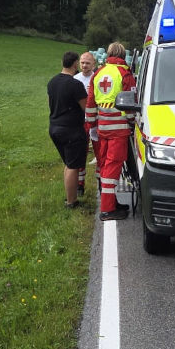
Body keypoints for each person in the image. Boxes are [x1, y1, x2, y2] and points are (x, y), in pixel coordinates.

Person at [86, 41, 136, 220]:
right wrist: (131, 123)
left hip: (101, 129)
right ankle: (107, 210)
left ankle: (112, 202)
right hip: (118, 130)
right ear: (123, 55)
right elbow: (130, 104)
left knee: (104, 164)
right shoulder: (124, 73)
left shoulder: (98, 73)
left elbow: (91, 102)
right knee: (112, 167)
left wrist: (90, 125)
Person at [49, 51, 89, 208]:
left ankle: (69, 196)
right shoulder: (75, 84)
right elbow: (86, 107)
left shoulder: (52, 82)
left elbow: (50, 104)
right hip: (71, 130)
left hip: (54, 127)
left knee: (68, 163)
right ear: (75, 64)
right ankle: (71, 202)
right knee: (73, 166)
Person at [73, 51, 98, 194]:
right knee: (81, 153)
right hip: (80, 122)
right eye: (82, 62)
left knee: (99, 151)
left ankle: (101, 183)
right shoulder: (75, 79)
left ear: (93, 64)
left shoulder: (98, 78)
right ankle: (80, 184)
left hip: (95, 121)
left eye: (87, 63)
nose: (84, 65)